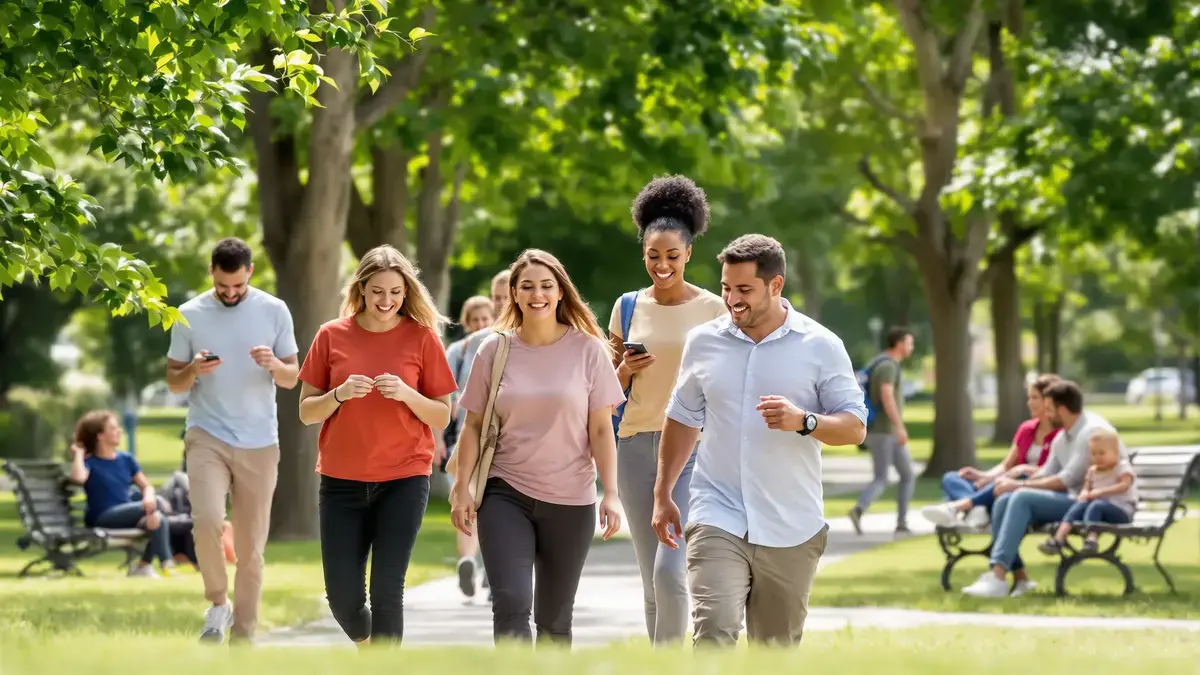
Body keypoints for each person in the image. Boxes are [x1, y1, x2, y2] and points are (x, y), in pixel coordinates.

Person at [651, 234, 868, 647]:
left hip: (791, 523)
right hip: (718, 510)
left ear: (776, 285)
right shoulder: (703, 341)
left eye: (744, 290)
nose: (732, 299)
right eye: (726, 288)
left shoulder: (821, 345)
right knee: (713, 629)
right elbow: (681, 417)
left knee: (775, 651)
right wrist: (663, 493)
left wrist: (803, 421)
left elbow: (855, 426)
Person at [450, 249, 625, 646]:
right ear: (513, 293)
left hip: (571, 498)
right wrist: (462, 488)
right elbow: (473, 425)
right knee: (510, 602)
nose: (537, 294)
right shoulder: (494, 350)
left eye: (546, 285)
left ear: (561, 291)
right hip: (504, 492)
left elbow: (600, 429)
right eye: (527, 286)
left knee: (555, 620)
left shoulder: (589, 350)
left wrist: (611, 494)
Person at [297, 244, 458, 646]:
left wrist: (406, 393)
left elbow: (442, 415)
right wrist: (338, 394)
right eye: (378, 291)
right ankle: (372, 654)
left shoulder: (421, 338)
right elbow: (306, 411)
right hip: (341, 482)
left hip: (404, 478)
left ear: (406, 293)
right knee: (343, 599)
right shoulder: (331, 336)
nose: (386, 301)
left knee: (388, 591)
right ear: (362, 289)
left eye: (396, 292)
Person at [606, 175, 724, 645]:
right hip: (635, 444)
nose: (662, 265)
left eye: (672, 256)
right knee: (651, 578)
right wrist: (627, 371)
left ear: (689, 253)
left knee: (672, 572)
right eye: (653, 256)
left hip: (695, 448)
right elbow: (607, 391)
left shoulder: (715, 309)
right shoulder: (627, 306)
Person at [166, 237, 299, 644]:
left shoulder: (274, 310)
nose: (230, 293)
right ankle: (217, 604)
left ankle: (243, 639)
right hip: (207, 433)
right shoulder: (188, 314)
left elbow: (293, 376)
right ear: (212, 273)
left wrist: (274, 364)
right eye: (223, 287)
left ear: (250, 274)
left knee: (251, 548)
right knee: (205, 519)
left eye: (237, 287)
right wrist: (192, 370)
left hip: (260, 441)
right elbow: (173, 382)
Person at [962, 379, 1129, 598]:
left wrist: (1020, 484)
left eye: (1049, 409)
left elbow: (1065, 480)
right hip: (1074, 499)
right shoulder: (1064, 435)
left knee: (1021, 497)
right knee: (1004, 499)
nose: (1046, 415)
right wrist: (1011, 477)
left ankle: (999, 577)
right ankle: (1002, 576)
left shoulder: (1090, 433)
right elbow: (1046, 471)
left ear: (1062, 409)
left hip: (1098, 504)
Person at [922, 374, 1062, 529]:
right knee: (952, 478)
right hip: (1004, 480)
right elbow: (1006, 465)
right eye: (1029, 397)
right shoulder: (1026, 429)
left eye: (1035, 398)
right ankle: (977, 507)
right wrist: (983, 476)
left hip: (1026, 485)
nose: (1030, 403)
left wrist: (1021, 470)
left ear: (1049, 400)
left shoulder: (1062, 434)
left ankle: (959, 506)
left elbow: (1055, 471)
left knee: (1019, 475)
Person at [67, 410, 173, 577]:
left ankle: (147, 566)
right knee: (158, 507)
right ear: (100, 435)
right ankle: (166, 567)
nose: (119, 431)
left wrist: (148, 497)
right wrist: (79, 454)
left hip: (125, 513)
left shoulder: (126, 459)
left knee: (159, 518)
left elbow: (146, 486)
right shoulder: (90, 463)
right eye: (113, 428)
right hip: (102, 517)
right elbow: (78, 478)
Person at [442, 294, 496, 599]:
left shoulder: (502, 343)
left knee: (485, 508)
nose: (479, 325)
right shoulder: (458, 352)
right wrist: (438, 437)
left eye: (484, 319)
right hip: (464, 440)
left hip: (494, 441)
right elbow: (444, 396)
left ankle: (483, 565)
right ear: (466, 323)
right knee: (465, 506)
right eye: (474, 320)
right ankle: (471, 563)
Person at [1038, 429, 1137, 555]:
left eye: (1102, 453)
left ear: (1116, 452)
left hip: (1121, 512)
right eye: (1094, 453)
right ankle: (1058, 539)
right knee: (1080, 506)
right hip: (1100, 512)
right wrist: (1084, 493)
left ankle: (1091, 540)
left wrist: (1100, 491)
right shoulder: (1092, 471)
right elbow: (1086, 487)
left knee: (1096, 504)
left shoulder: (1122, 467)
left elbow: (1125, 486)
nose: (1097, 457)